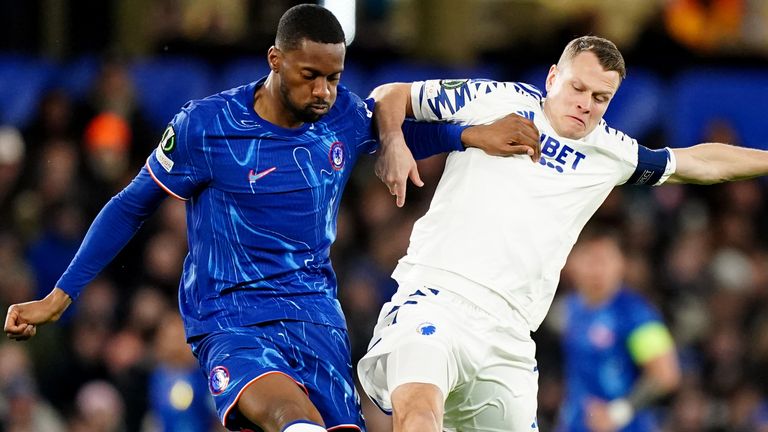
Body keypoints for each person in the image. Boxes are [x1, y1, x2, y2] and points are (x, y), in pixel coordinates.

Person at [3, 5, 539, 432]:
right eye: (310, 76)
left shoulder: (341, 115)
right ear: (275, 59)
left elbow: (397, 131)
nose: (324, 92)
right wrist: (60, 295)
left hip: (315, 320)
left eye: (334, 78)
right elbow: (131, 204)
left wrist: (470, 134)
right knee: (293, 421)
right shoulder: (208, 127)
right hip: (231, 317)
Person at [358, 35, 768, 432]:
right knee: (417, 417)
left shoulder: (613, 152)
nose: (585, 105)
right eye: (578, 87)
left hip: (510, 335)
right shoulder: (497, 99)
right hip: (436, 299)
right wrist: (394, 141)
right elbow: (392, 93)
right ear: (553, 77)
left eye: (600, 98)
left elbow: (702, 163)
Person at [557, 226, 680, 432]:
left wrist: (619, 412)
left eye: (604, 260)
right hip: (575, 424)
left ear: (621, 264)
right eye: (590, 260)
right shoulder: (568, 309)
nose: (597, 270)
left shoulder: (637, 314)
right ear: (571, 264)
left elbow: (666, 374)